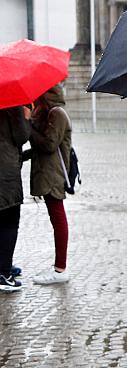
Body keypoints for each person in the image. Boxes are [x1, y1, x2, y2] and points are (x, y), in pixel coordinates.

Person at [29, 84, 74, 285]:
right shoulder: (48, 114)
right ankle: (59, 267)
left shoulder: (57, 114)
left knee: (58, 219)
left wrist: (29, 125)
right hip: (47, 174)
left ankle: (60, 269)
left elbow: (49, 144)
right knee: (56, 218)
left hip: (54, 176)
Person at [0, 105, 31, 292]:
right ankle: (3, 273)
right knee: (9, 224)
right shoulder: (12, 104)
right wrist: (26, 118)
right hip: (5, 174)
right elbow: (21, 136)